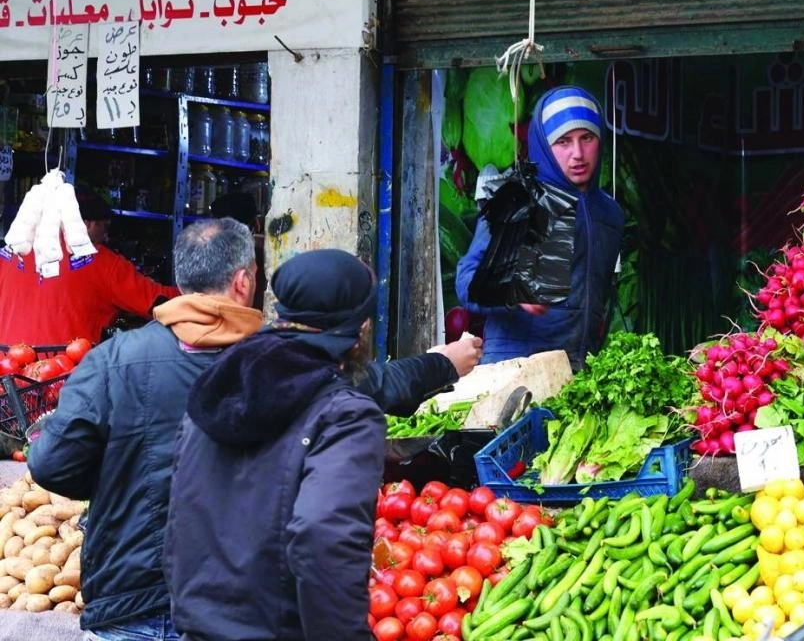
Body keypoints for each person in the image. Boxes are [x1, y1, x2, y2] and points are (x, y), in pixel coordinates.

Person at [27, 219, 481, 641]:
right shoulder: (279, 370)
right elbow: (322, 538)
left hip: (140, 600)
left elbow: (52, 464)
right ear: (245, 282)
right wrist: (444, 363)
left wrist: (121, 480)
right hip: (231, 608)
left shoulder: (120, 360)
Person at [162, 249, 386, 639]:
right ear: (360, 330)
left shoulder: (215, 387)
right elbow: (323, 541)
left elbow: (178, 512)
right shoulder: (347, 415)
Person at [456, 85, 624, 369]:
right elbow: (466, 281)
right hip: (514, 368)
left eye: (587, 138)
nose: (578, 154)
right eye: (563, 142)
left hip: (577, 371)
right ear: (544, 145)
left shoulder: (609, 214)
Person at [0, 189, 180, 345]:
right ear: (86, 224)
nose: (106, 237)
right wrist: (202, 294)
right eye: (104, 227)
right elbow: (160, 304)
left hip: (7, 376)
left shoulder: (9, 253)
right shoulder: (102, 262)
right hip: (65, 377)